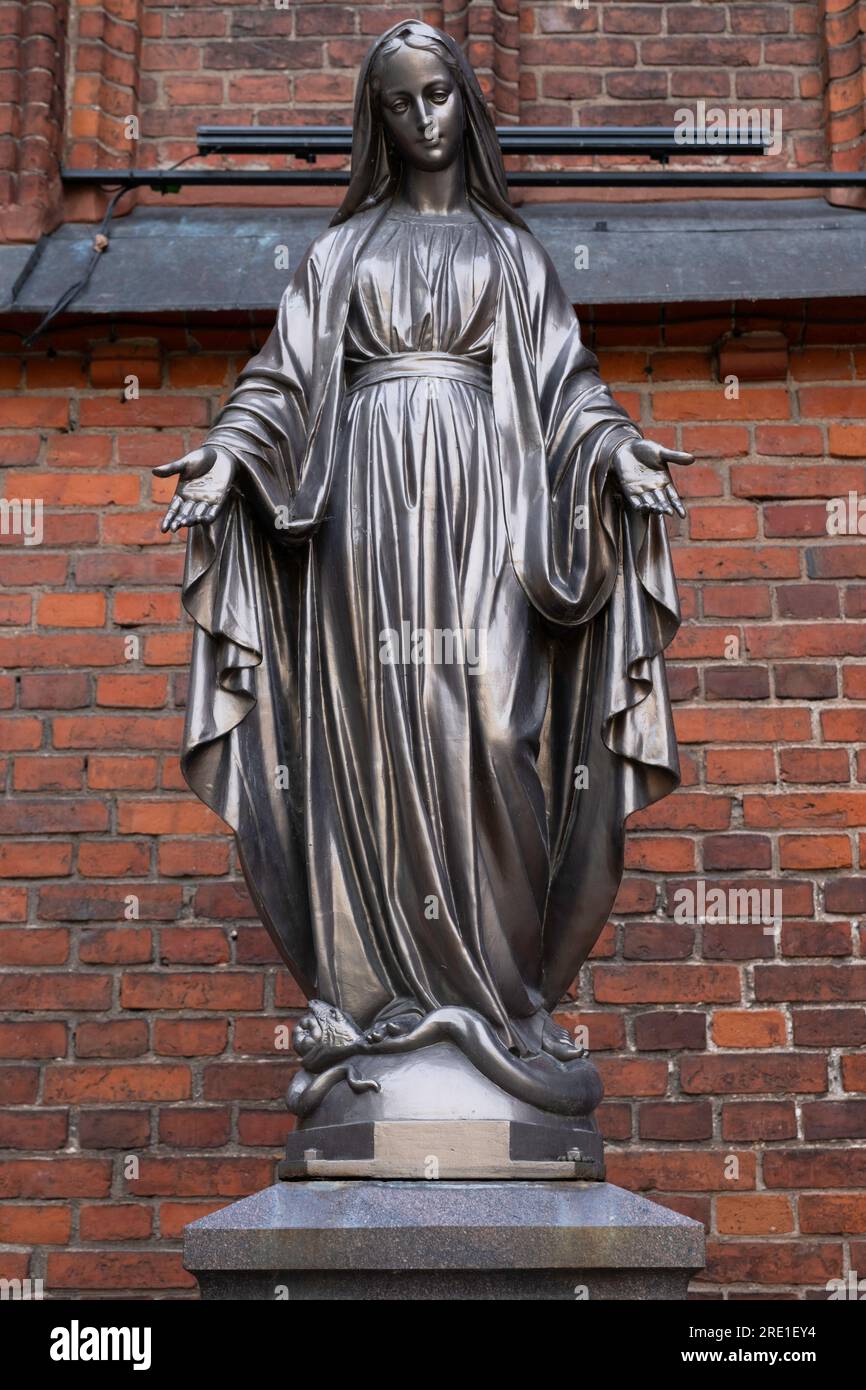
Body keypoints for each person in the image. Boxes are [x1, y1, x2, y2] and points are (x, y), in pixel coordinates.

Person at [155, 21, 691, 1089]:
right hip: (363, 506)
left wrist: (617, 450)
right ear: (378, 121)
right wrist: (225, 459)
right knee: (369, 733)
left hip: (488, 502)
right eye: (399, 103)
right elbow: (278, 383)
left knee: (499, 720)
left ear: (465, 103)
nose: (423, 118)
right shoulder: (340, 253)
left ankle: (499, 999)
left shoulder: (511, 254)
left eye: (439, 94)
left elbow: (566, 389)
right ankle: (377, 997)